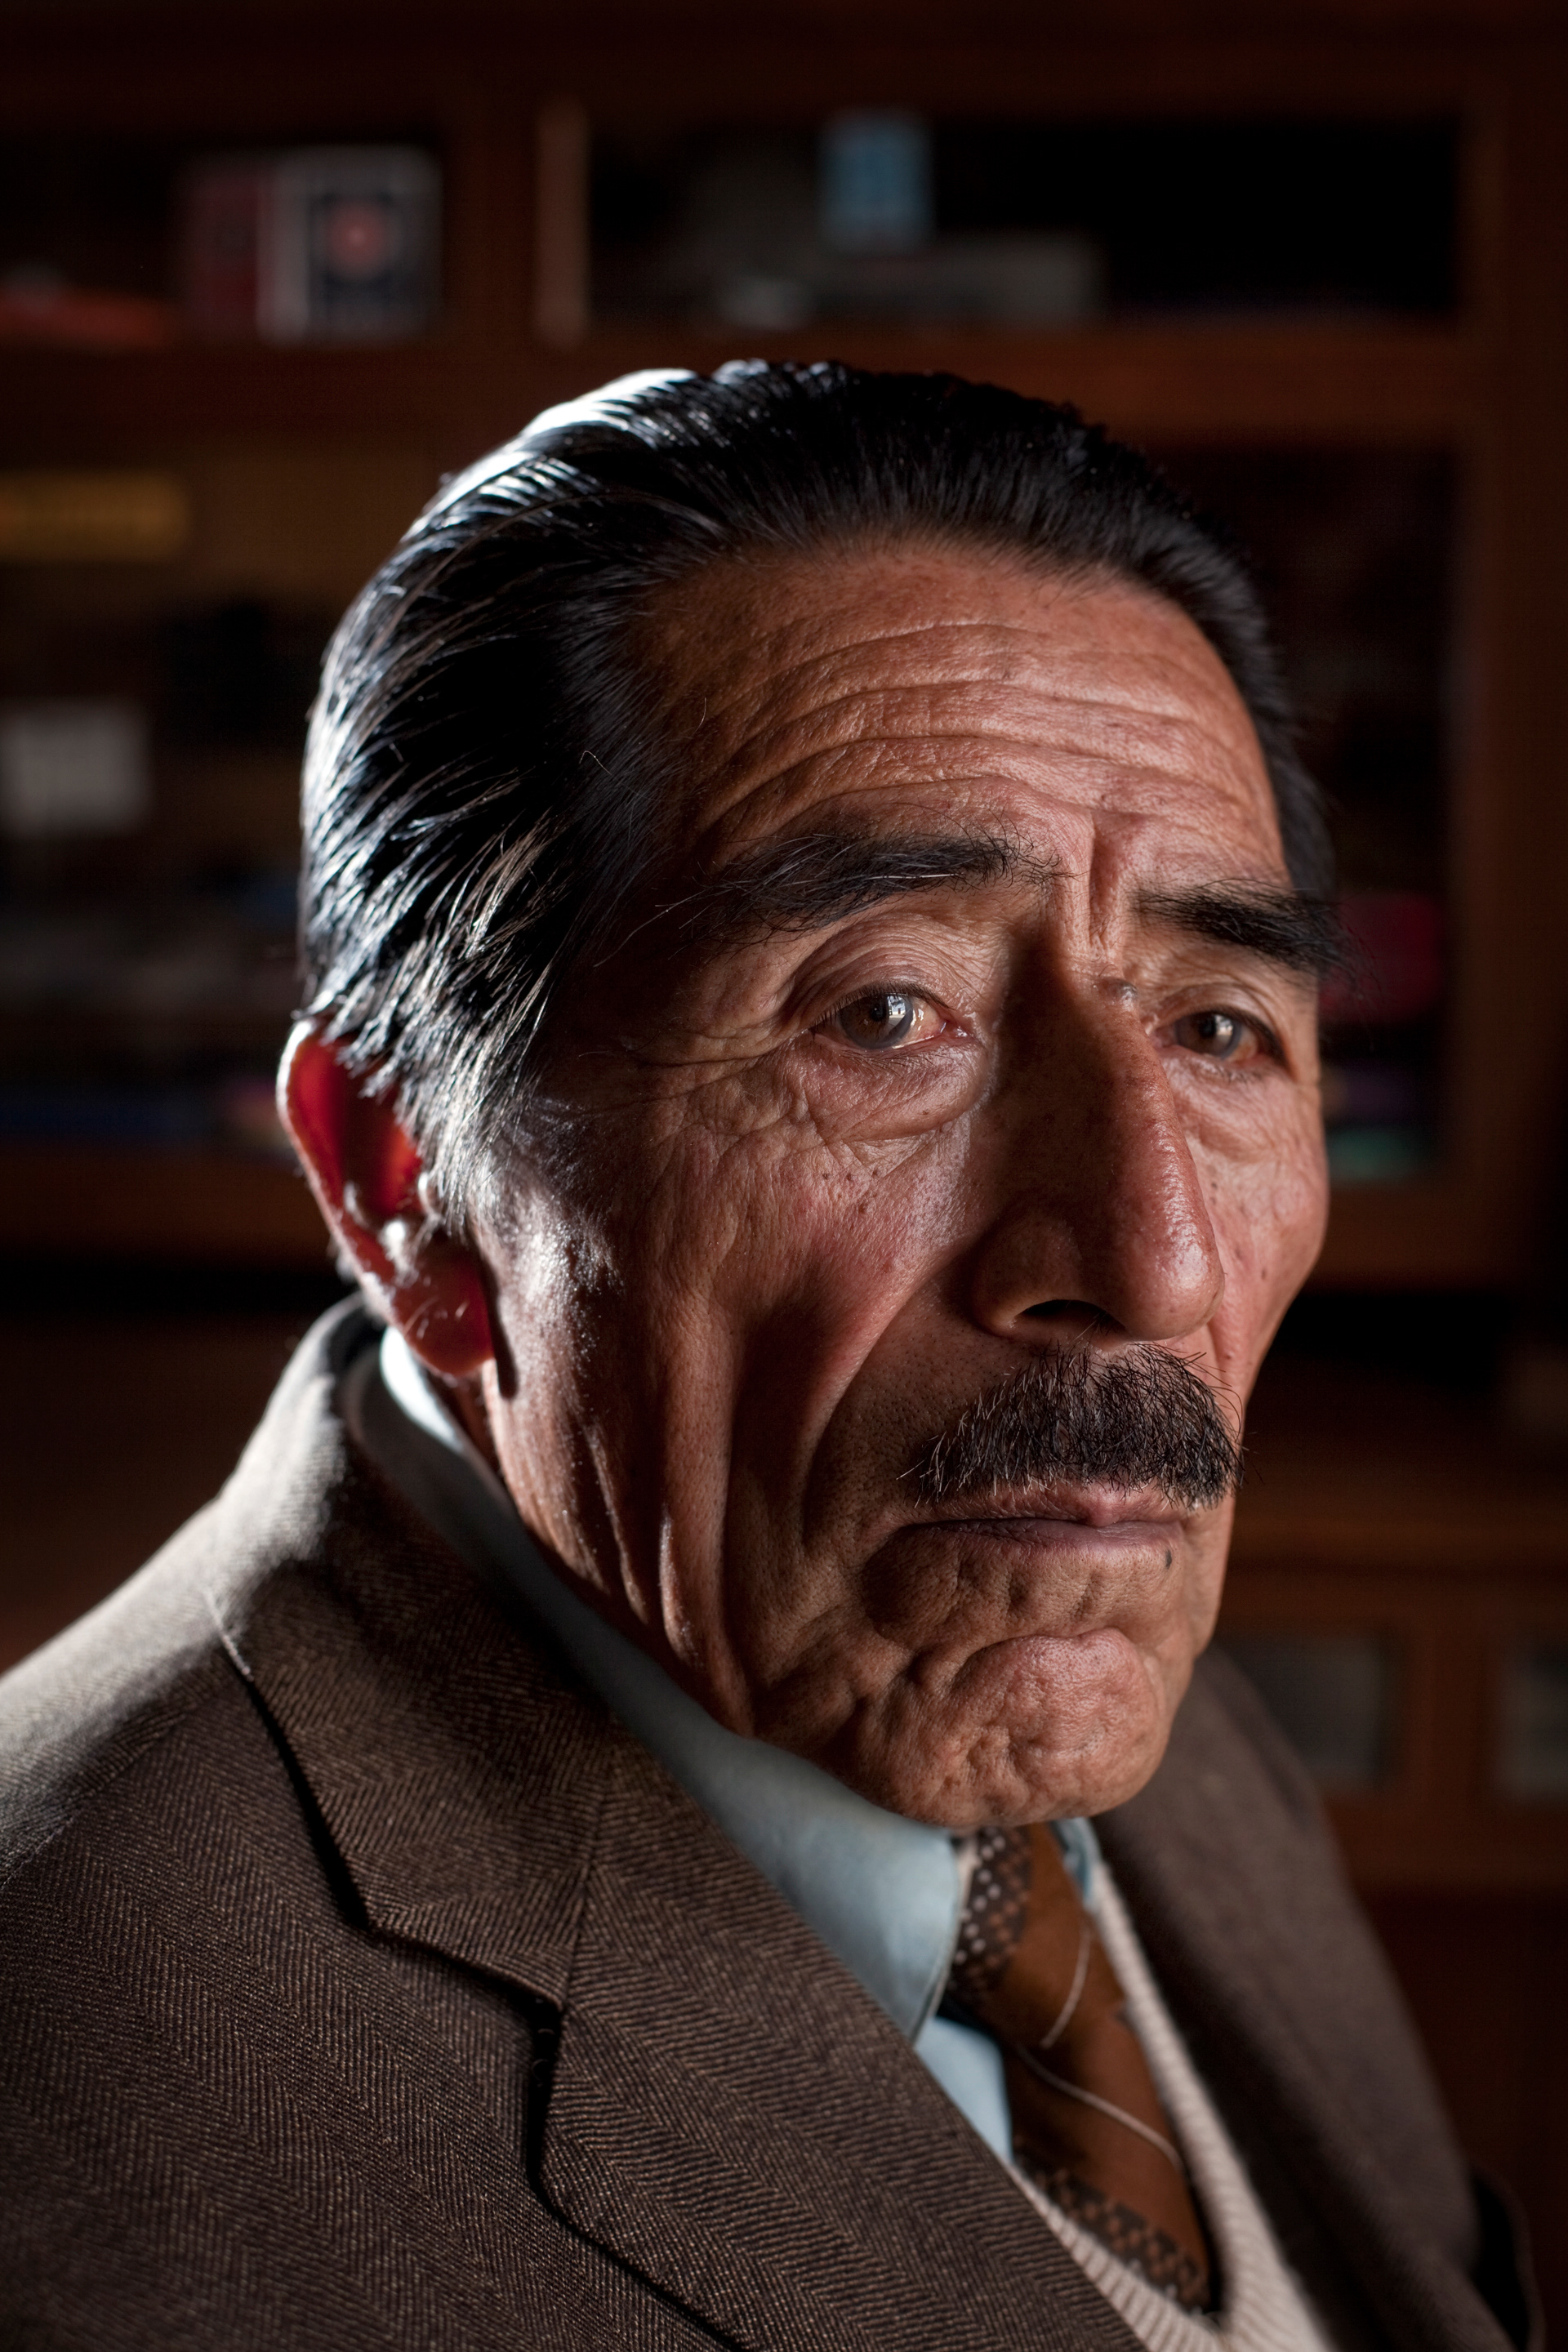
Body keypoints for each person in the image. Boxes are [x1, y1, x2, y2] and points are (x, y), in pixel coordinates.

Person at [0, 364, 1536, 2352]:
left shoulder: (1154, 1734)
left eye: (1221, 1026)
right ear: (411, 1188)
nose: (1154, 1260)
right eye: (884, 1016)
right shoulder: (67, 2107)